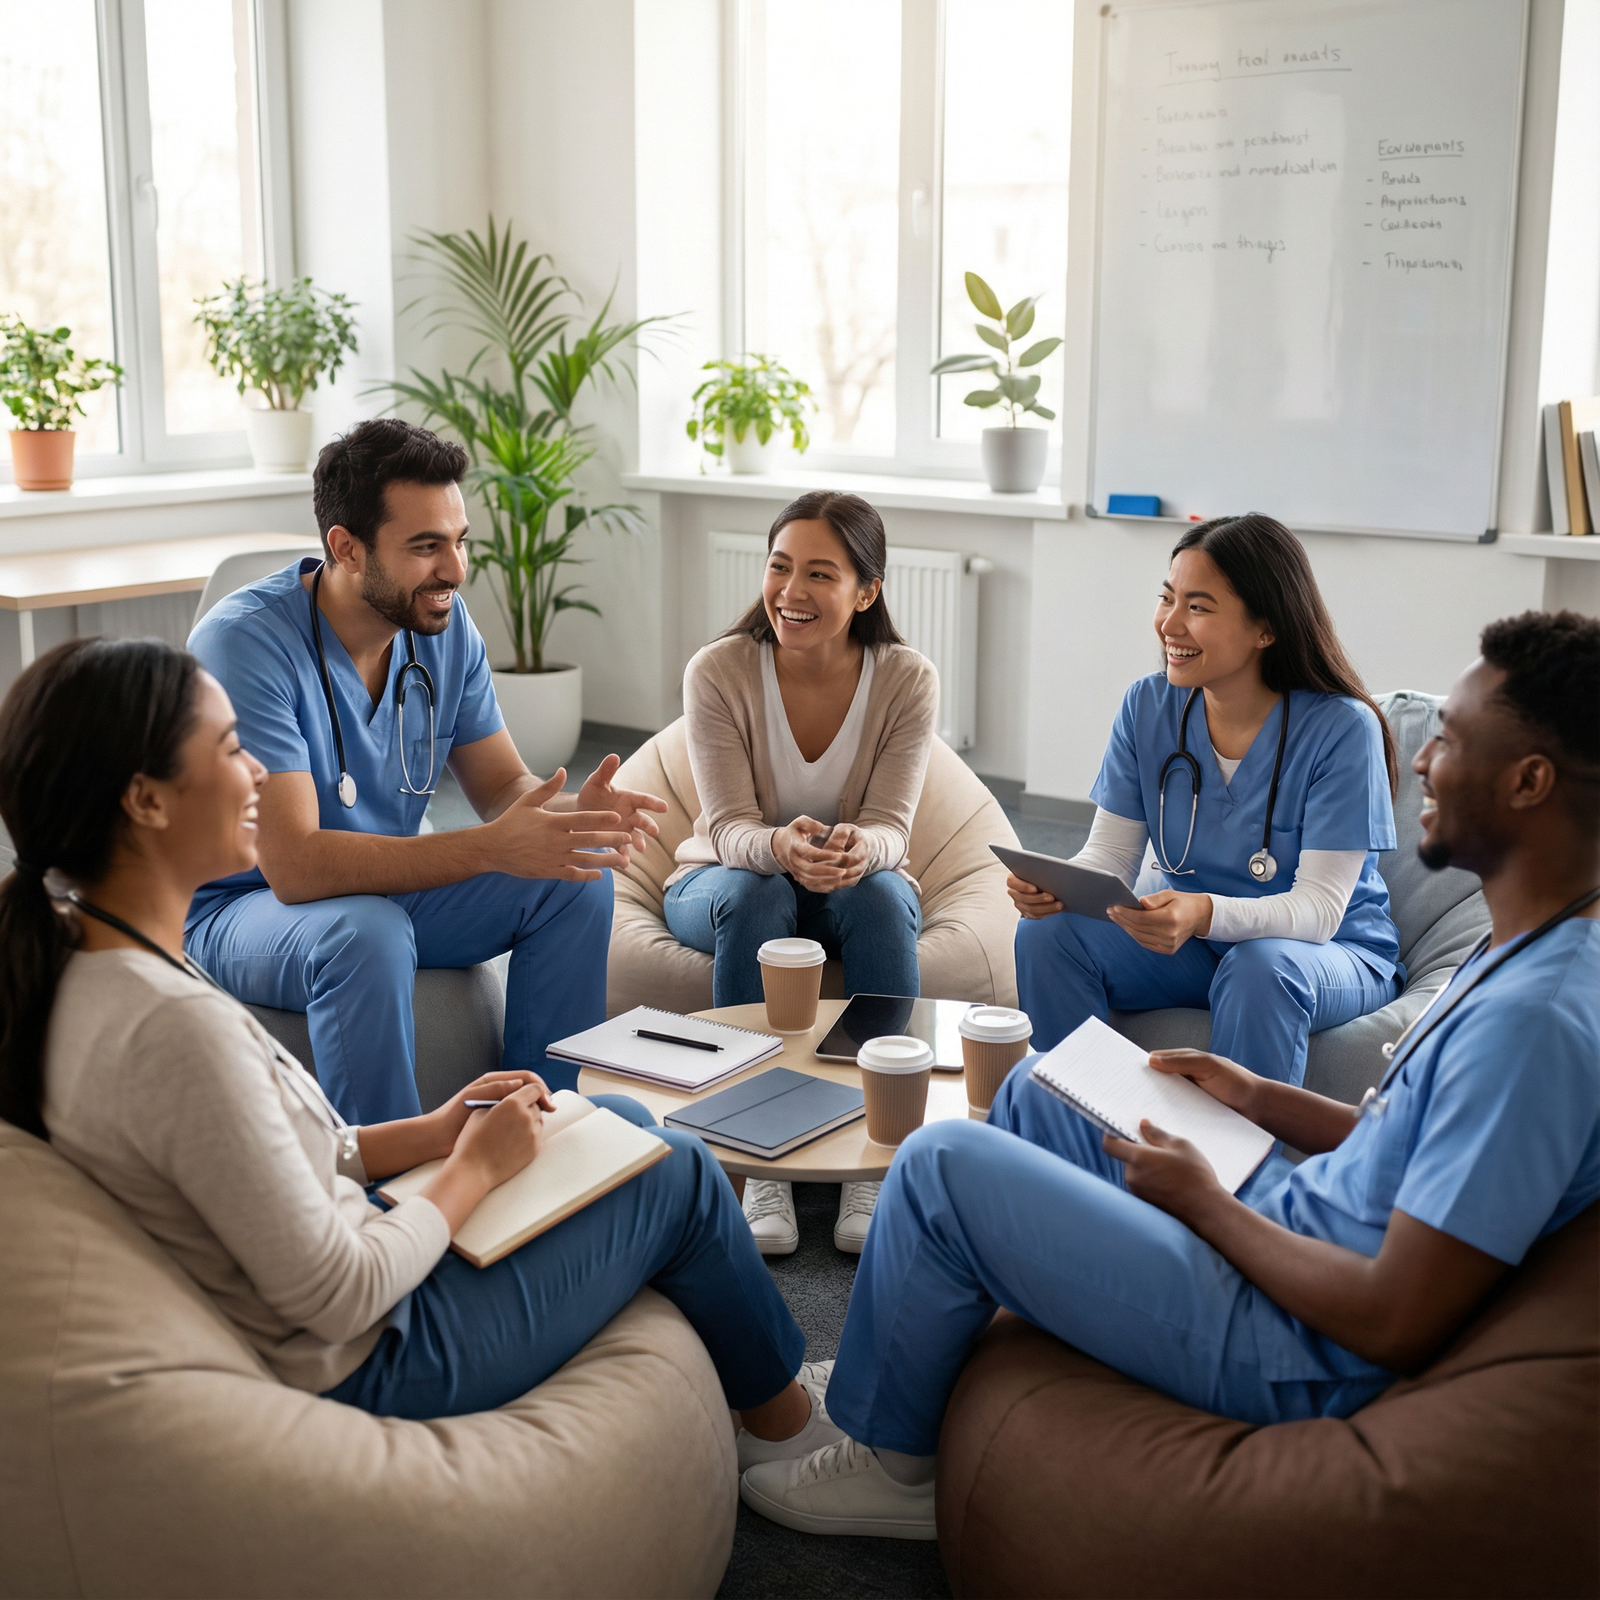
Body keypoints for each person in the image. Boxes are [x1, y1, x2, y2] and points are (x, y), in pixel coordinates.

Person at [734, 609, 1600, 1539]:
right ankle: (908, 1358)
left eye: (1454, 742)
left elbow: (1393, 1319)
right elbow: (1415, 1145)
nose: (1421, 764)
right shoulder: (1522, 950)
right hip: (1296, 1215)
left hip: (1295, 1338)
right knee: (1045, 1085)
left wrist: (1204, 1203)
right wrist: (1261, 1095)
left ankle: (896, 1466)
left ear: (1530, 780)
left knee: (943, 1164)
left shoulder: (1538, 1022)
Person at [0, 636, 844, 1470]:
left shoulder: (90, 959)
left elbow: (263, 1157)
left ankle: (739, 1362)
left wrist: (435, 1133)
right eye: (230, 750)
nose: (258, 773)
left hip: (361, 1278)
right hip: (384, 1355)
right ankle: (787, 1427)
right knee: (681, 1172)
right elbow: (342, 1296)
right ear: (147, 802)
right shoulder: (174, 1028)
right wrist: (471, 1171)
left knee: (606, 1116)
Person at [185, 418, 667, 1124]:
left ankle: (544, 1123)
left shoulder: (441, 628)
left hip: (387, 881)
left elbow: (502, 787)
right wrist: (489, 845)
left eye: (459, 541)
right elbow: (296, 866)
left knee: (576, 879)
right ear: (345, 548)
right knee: (366, 933)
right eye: (425, 547)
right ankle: (393, 1194)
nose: (455, 569)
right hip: (247, 906)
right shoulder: (246, 645)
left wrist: (568, 816)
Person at [1010, 513, 1404, 1086]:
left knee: (1259, 967)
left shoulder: (1343, 729)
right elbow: (1109, 858)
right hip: (1193, 940)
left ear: (1266, 628)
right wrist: (1060, 886)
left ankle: (1233, 1172)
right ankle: (1079, 1130)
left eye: (1198, 607)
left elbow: (1319, 912)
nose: (1169, 624)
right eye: (1167, 598)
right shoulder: (1148, 708)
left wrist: (1205, 914)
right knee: (1047, 933)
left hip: (1322, 951)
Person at [664, 491, 938, 1256]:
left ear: (867, 591)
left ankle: (872, 1162)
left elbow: (893, 826)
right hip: (722, 880)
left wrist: (862, 850)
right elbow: (722, 829)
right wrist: (781, 848)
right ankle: (762, 1159)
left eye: (821, 574)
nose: (791, 591)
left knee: (883, 899)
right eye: (780, 567)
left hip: (849, 887)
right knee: (757, 896)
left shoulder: (906, 678)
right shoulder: (718, 669)